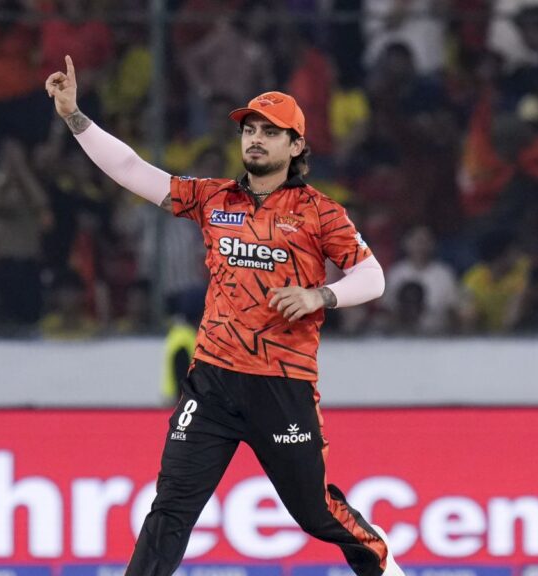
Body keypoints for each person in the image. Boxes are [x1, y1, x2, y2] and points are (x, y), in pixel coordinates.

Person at [45, 56, 404, 576]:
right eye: (250, 130)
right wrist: (75, 116)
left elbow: (373, 279)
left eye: (271, 132)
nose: (255, 139)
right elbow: (132, 171)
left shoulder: (321, 212)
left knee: (314, 512)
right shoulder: (214, 199)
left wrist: (318, 297)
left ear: (297, 145)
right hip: (211, 384)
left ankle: (381, 562)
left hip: (280, 385)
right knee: (170, 509)